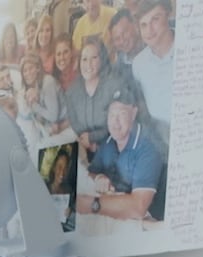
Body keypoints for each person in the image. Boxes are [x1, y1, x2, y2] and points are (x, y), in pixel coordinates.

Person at [79, 88, 165, 222]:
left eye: (122, 114)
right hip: (116, 216)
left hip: (148, 224)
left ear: (134, 113)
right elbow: (91, 172)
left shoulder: (148, 147)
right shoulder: (108, 141)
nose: (115, 122)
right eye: (112, 114)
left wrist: (91, 204)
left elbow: (138, 207)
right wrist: (99, 178)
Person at [64, 35, 129, 157]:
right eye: (84, 59)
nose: (88, 64)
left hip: (114, 149)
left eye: (94, 58)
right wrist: (86, 141)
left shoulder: (114, 85)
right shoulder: (72, 91)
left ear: (102, 59)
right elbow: (74, 121)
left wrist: (93, 138)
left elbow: (120, 122)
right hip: (84, 148)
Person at [131, 0, 175, 147]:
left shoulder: (190, 48)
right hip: (161, 141)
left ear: (168, 15)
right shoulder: (138, 64)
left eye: (155, 19)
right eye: (143, 25)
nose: (149, 30)